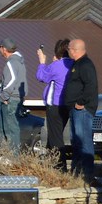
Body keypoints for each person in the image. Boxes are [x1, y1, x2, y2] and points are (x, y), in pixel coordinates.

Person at [61, 38, 98, 183]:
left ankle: (88, 175)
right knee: (76, 141)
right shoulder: (77, 64)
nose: (68, 51)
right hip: (74, 109)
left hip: (82, 110)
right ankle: (75, 174)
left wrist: (81, 102)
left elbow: (91, 86)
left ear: (75, 50)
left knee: (84, 141)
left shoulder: (86, 64)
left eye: (69, 49)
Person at [36, 38, 72, 168]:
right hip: (67, 106)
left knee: (55, 136)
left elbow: (41, 76)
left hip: (54, 105)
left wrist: (42, 61)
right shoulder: (73, 65)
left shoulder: (56, 66)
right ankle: (51, 163)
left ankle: (59, 166)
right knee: (55, 135)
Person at [0, 38, 27, 154]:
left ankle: (12, 156)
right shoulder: (18, 61)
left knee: (9, 129)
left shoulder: (11, 63)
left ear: (4, 49)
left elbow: (11, 81)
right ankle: (6, 153)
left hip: (10, 99)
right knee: (2, 128)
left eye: (0, 48)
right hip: (14, 98)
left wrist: (4, 96)